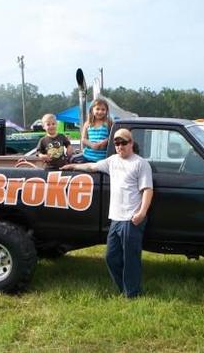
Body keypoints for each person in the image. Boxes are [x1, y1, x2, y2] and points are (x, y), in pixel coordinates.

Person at [61, 128, 153, 298]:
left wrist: (141, 213)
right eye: (117, 143)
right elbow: (92, 166)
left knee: (131, 259)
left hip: (132, 219)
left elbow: (147, 190)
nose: (120, 146)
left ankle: (132, 294)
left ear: (131, 143)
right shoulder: (112, 161)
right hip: (116, 219)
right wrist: (73, 165)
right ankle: (124, 288)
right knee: (111, 257)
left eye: (123, 142)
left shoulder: (140, 163)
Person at [81, 97, 113, 162]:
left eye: (103, 109)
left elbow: (112, 136)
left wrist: (105, 141)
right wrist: (92, 145)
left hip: (103, 158)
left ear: (107, 111)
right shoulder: (88, 123)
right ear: (92, 110)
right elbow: (83, 139)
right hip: (87, 157)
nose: (100, 112)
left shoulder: (108, 123)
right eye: (97, 109)